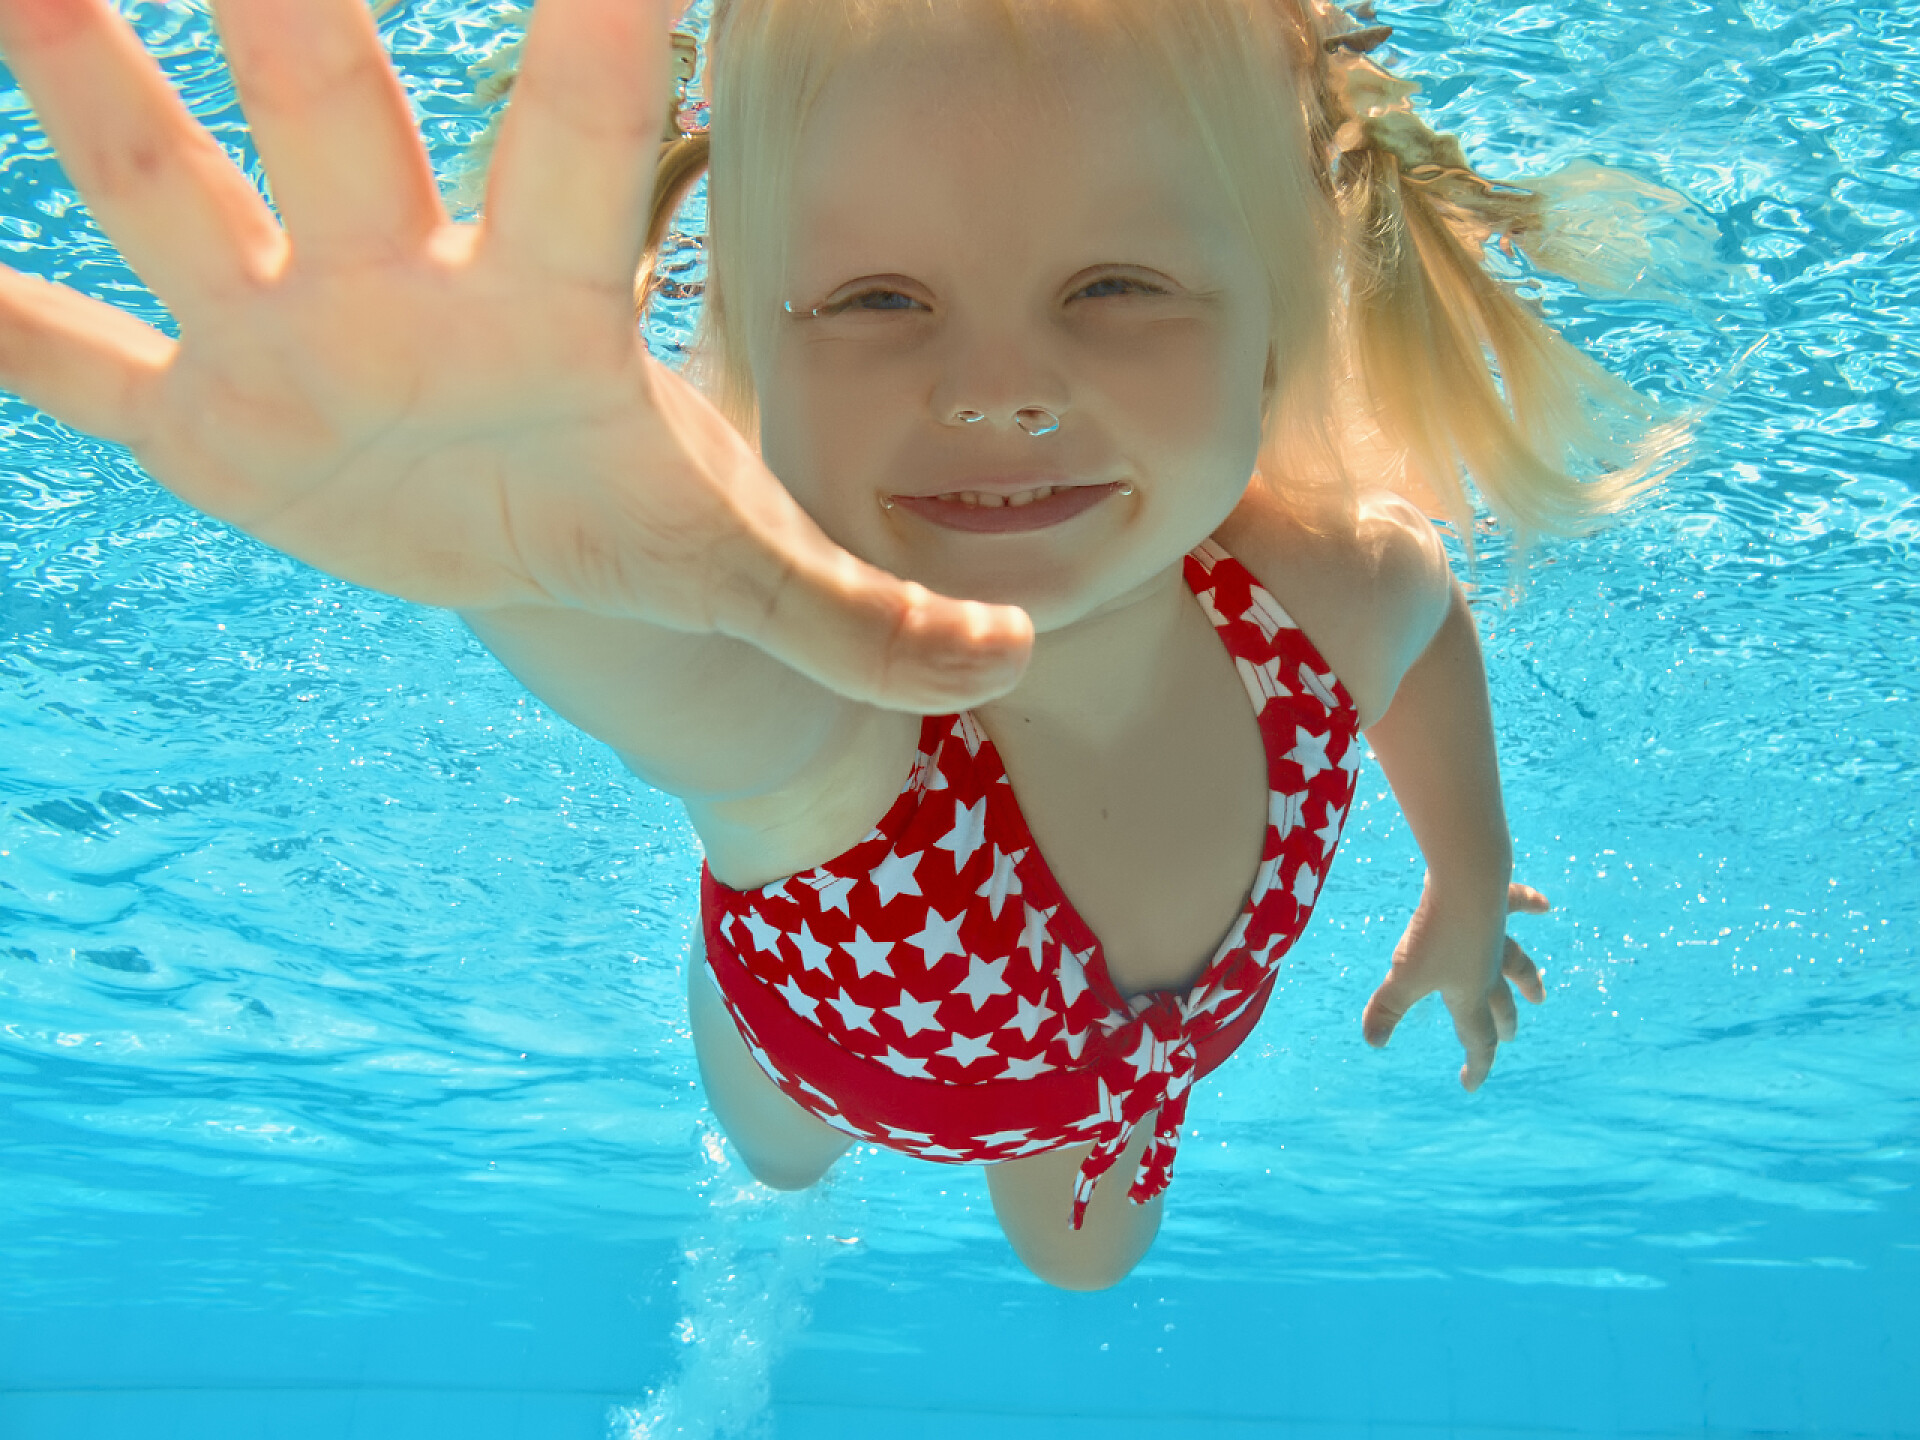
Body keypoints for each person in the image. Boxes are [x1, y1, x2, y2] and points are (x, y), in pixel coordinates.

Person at [0, 0, 1693, 1289]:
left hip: (1131, 1066)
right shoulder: (832, 735)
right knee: (783, 1157)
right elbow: (674, 689)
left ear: (1276, 325)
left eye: (1117, 286)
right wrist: (497, 545)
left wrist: (1467, 884)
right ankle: (752, 1054)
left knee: (1082, 1256)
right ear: (743, 355)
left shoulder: (1332, 589)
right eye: (879, 300)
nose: (999, 386)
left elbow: (1428, 632)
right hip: (819, 1046)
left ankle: (1033, 1157)